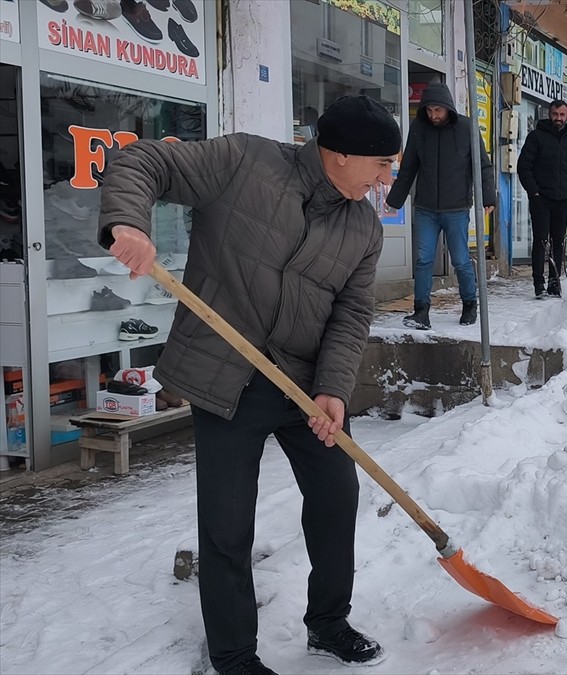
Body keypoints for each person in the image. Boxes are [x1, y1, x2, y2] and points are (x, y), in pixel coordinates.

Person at [99, 95, 401, 675]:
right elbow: (143, 163)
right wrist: (127, 222)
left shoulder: (363, 227)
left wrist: (334, 389)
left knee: (337, 496)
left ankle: (329, 622)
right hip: (225, 376)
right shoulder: (244, 162)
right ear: (339, 155)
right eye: (381, 164)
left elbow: (351, 314)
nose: (388, 178)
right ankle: (235, 656)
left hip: (303, 386)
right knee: (227, 524)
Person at [388, 82, 496, 328]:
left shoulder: (466, 128)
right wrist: (394, 200)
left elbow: (482, 165)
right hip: (426, 207)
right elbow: (409, 167)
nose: (433, 115)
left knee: (459, 260)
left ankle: (470, 304)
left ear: (448, 107)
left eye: (438, 110)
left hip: (456, 208)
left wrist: (488, 197)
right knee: (424, 260)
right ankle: (421, 311)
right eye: (429, 110)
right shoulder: (418, 128)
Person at [516, 99, 567, 298]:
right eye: (555, 114)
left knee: (558, 242)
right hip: (541, 200)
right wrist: (534, 192)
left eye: (562, 115)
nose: (558, 119)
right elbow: (524, 167)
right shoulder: (536, 137)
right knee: (541, 241)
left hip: (563, 201)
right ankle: (539, 283)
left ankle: (555, 282)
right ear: (549, 114)